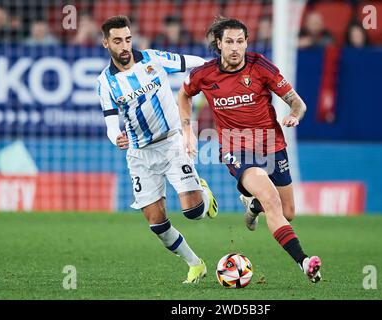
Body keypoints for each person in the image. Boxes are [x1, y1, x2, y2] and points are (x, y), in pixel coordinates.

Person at [178, 17, 322, 283]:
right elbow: (184, 94)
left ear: (247, 43)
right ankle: (304, 262)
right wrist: (188, 129)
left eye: (240, 42)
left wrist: (294, 114)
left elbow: (298, 103)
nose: (235, 48)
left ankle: (253, 205)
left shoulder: (260, 67)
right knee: (271, 199)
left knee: (287, 212)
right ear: (218, 44)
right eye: (229, 42)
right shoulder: (204, 74)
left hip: (272, 145)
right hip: (236, 148)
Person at [97, 16, 218, 284]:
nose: (125, 45)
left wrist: (219, 65)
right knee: (156, 223)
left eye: (128, 39)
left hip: (171, 144)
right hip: (140, 155)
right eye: (118, 41)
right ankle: (195, 264)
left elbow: (192, 62)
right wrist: (116, 136)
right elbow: (109, 124)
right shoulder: (105, 82)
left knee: (194, 213)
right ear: (106, 43)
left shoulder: (153, 59)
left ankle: (203, 191)